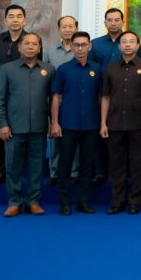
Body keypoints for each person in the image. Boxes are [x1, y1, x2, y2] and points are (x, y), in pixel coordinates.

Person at [0, 33, 53, 217]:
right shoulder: (7, 69)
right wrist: (3, 124)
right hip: (13, 128)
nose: (30, 47)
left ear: (39, 48)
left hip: (39, 128)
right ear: (19, 47)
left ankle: (33, 201)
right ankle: (14, 202)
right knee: (13, 167)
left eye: (34, 44)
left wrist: (53, 123)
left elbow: (53, 100)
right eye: (26, 43)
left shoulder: (49, 70)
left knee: (37, 168)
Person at [100, 31, 141, 215]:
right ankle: (117, 202)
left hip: (139, 124)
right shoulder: (110, 68)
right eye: (124, 42)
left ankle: (135, 201)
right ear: (119, 46)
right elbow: (105, 97)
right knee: (116, 165)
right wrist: (103, 123)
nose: (128, 44)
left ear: (138, 46)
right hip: (114, 123)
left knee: (138, 164)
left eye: (132, 41)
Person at [50, 31, 99, 215]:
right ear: (71, 47)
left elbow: (102, 97)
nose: (80, 48)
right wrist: (55, 123)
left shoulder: (97, 69)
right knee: (65, 165)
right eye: (76, 45)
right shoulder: (63, 69)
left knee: (87, 165)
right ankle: (64, 203)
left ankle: (83, 202)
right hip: (67, 124)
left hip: (91, 124)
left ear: (89, 46)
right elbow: (56, 97)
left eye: (83, 45)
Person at [90, 7, 137, 184]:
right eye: (109, 20)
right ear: (105, 23)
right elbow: (92, 69)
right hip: (101, 95)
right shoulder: (95, 44)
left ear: (122, 22)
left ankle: (124, 170)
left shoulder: (130, 42)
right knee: (102, 133)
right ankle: (101, 170)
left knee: (124, 135)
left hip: (125, 96)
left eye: (117, 20)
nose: (113, 23)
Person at [0, 4, 30, 186]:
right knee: (0, 135)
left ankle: (19, 171)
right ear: (5, 20)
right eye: (11, 16)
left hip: (22, 94)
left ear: (24, 20)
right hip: (0, 95)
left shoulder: (32, 40)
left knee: (21, 134)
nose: (15, 20)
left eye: (19, 16)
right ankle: (0, 171)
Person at [45, 16, 76, 186]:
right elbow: (45, 75)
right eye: (64, 27)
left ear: (76, 28)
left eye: (71, 26)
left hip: (75, 99)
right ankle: (55, 171)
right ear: (59, 29)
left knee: (75, 137)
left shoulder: (82, 48)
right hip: (55, 99)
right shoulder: (50, 51)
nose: (68, 30)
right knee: (55, 136)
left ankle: (74, 171)